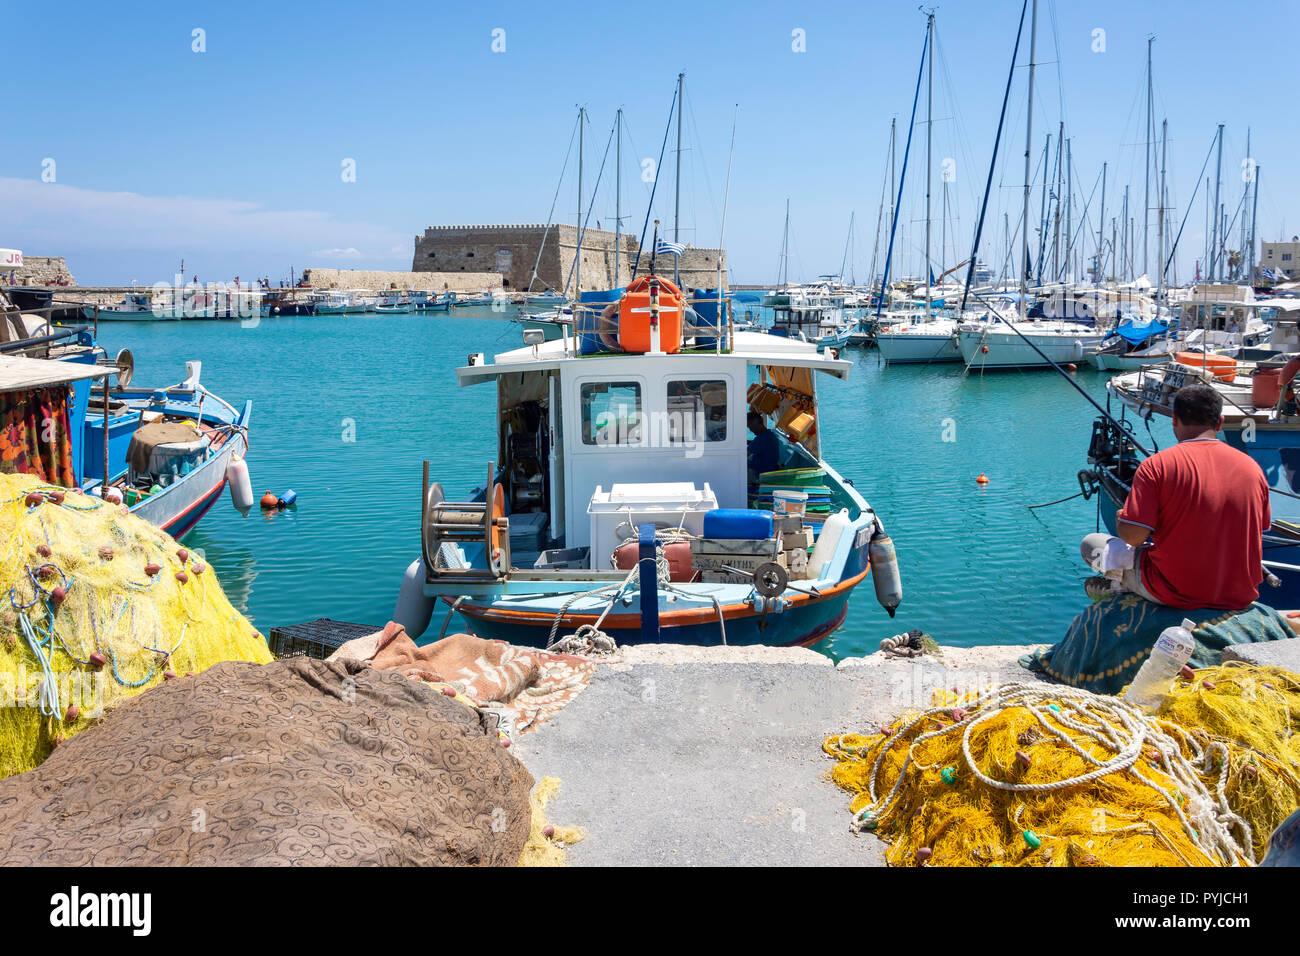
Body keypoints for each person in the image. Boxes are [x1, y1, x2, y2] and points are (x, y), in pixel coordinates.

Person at [1081, 383, 1271, 609]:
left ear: (1174, 419)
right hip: (1238, 593)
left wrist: (1121, 521)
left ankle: (1119, 591)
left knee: (1091, 544)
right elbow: (1260, 529)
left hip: (1177, 590)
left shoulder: (1157, 466)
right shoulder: (1251, 468)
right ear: (1219, 423)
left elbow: (1133, 538)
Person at [747, 411, 779, 485]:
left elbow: (743, 455)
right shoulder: (769, 435)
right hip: (769, 470)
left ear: (758, 425)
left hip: (759, 475)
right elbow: (757, 445)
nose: (750, 430)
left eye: (750, 427)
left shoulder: (761, 438)